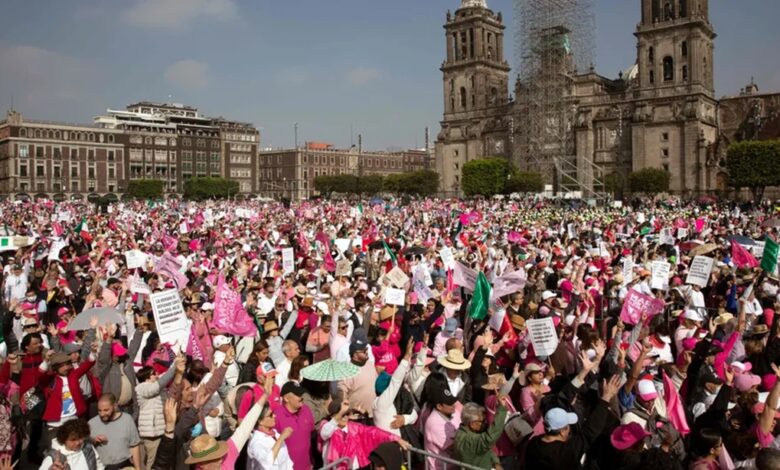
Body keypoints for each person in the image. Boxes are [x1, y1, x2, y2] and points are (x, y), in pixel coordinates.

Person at [523, 375, 621, 469]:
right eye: (568, 426)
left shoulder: (533, 444)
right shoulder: (566, 452)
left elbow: (561, 398)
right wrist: (606, 398)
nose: (570, 430)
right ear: (562, 431)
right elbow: (590, 432)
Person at [88, 393, 142, 470]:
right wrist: (93, 440)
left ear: (115, 406)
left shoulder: (127, 419)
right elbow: (85, 448)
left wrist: (138, 468)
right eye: (99, 410)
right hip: (104, 467)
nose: (102, 414)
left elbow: (135, 446)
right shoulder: (91, 424)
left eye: (106, 410)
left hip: (125, 465)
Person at [453, 400, 508, 469]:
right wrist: (502, 409)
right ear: (472, 424)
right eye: (483, 421)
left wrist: (495, 462)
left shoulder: (465, 432)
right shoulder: (468, 439)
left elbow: (485, 449)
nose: (485, 423)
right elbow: (489, 438)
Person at [273, 381, 315, 470]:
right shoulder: (276, 416)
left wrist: (311, 462)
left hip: (306, 466)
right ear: (286, 398)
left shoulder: (306, 410)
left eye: (301, 393)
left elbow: (310, 436)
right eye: (298, 395)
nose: (301, 397)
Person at [247, 404, 295, 470]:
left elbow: (286, 462)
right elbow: (266, 464)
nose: (274, 416)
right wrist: (281, 438)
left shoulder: (274, 433)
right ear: (260, 421)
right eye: (270, 415)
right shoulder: (256, 442)